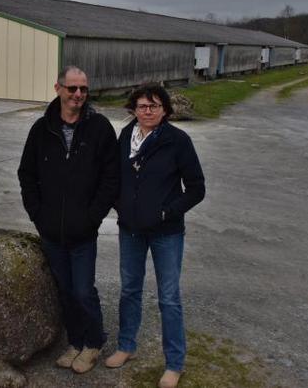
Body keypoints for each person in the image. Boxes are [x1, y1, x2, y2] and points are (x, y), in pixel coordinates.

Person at [18, 66, 119, 374]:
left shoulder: (99, 128)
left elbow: (111, 178)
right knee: (64, 289)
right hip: (51, 231)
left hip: (83, 231)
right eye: (72, 88)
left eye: (83, 90)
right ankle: (75, 341)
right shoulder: (41, 129)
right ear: (58, 88)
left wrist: (92, 217)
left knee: (83, 290)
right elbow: (27, 174)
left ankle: (93, 343)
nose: (78, 95)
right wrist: (38, 215)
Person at [104, 83, 205, 388]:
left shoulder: (178, 141)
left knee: (169, 298)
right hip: (130, 230)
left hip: (166, 233)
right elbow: (114, 177)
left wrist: (166, 212)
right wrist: (119, 205)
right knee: (129, 290)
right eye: (142, 106)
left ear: (165, 110)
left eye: (155, 106)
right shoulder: (125, 137)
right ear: (133, 109)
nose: (148, 111)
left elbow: (197, 188)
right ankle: (126, 346)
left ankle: (174, 363)